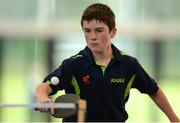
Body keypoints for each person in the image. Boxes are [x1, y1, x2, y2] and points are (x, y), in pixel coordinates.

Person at [35, 3, 180, 122]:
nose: (92, 37)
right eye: (87, 30)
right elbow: (44, 87)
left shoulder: (129, 64)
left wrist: (174, 119)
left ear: (113, 32)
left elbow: (153, 90)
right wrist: (42, 97)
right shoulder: (73, 65)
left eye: (99, 30)